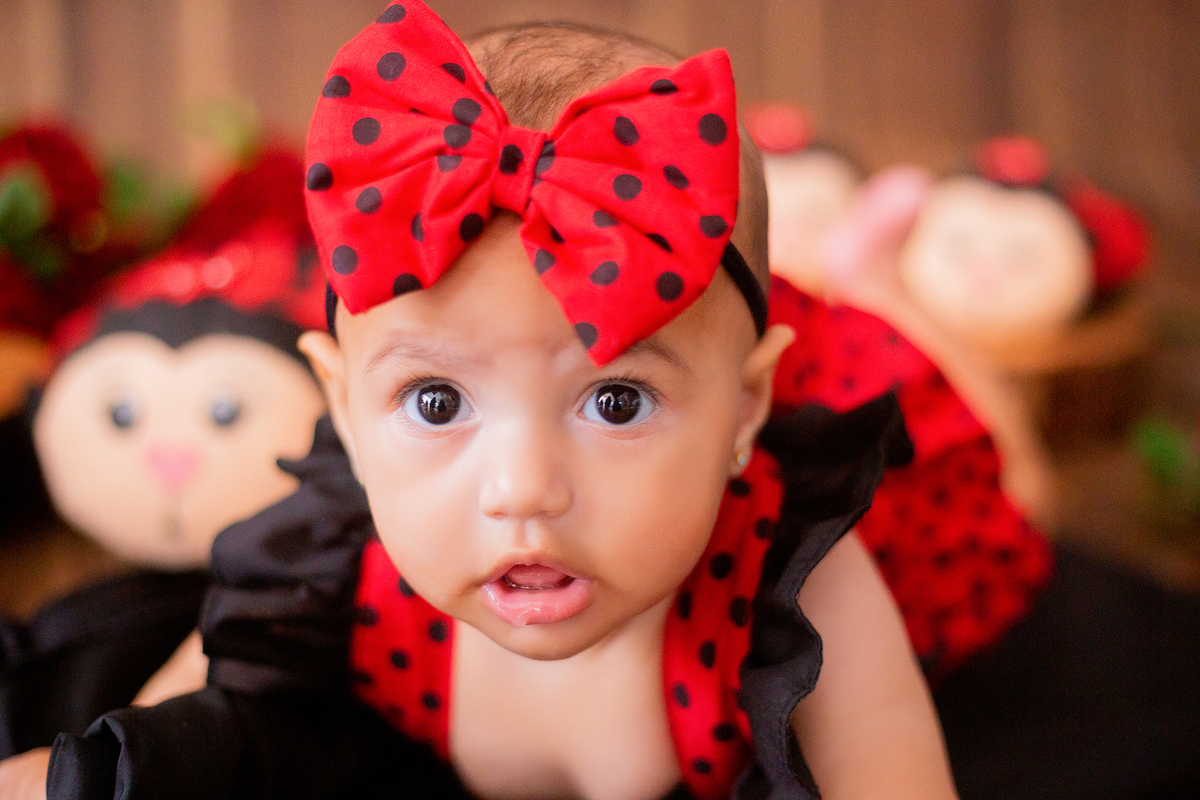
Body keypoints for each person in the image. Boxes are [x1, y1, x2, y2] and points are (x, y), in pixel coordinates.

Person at [13, 3, 959, 799]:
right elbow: (155, 745)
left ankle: (876, 281)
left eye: (617, 402)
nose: (521, 489)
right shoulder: (325, 560)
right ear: (343, 409)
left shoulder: (799, 583)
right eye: (434, 403)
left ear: (746, 409)